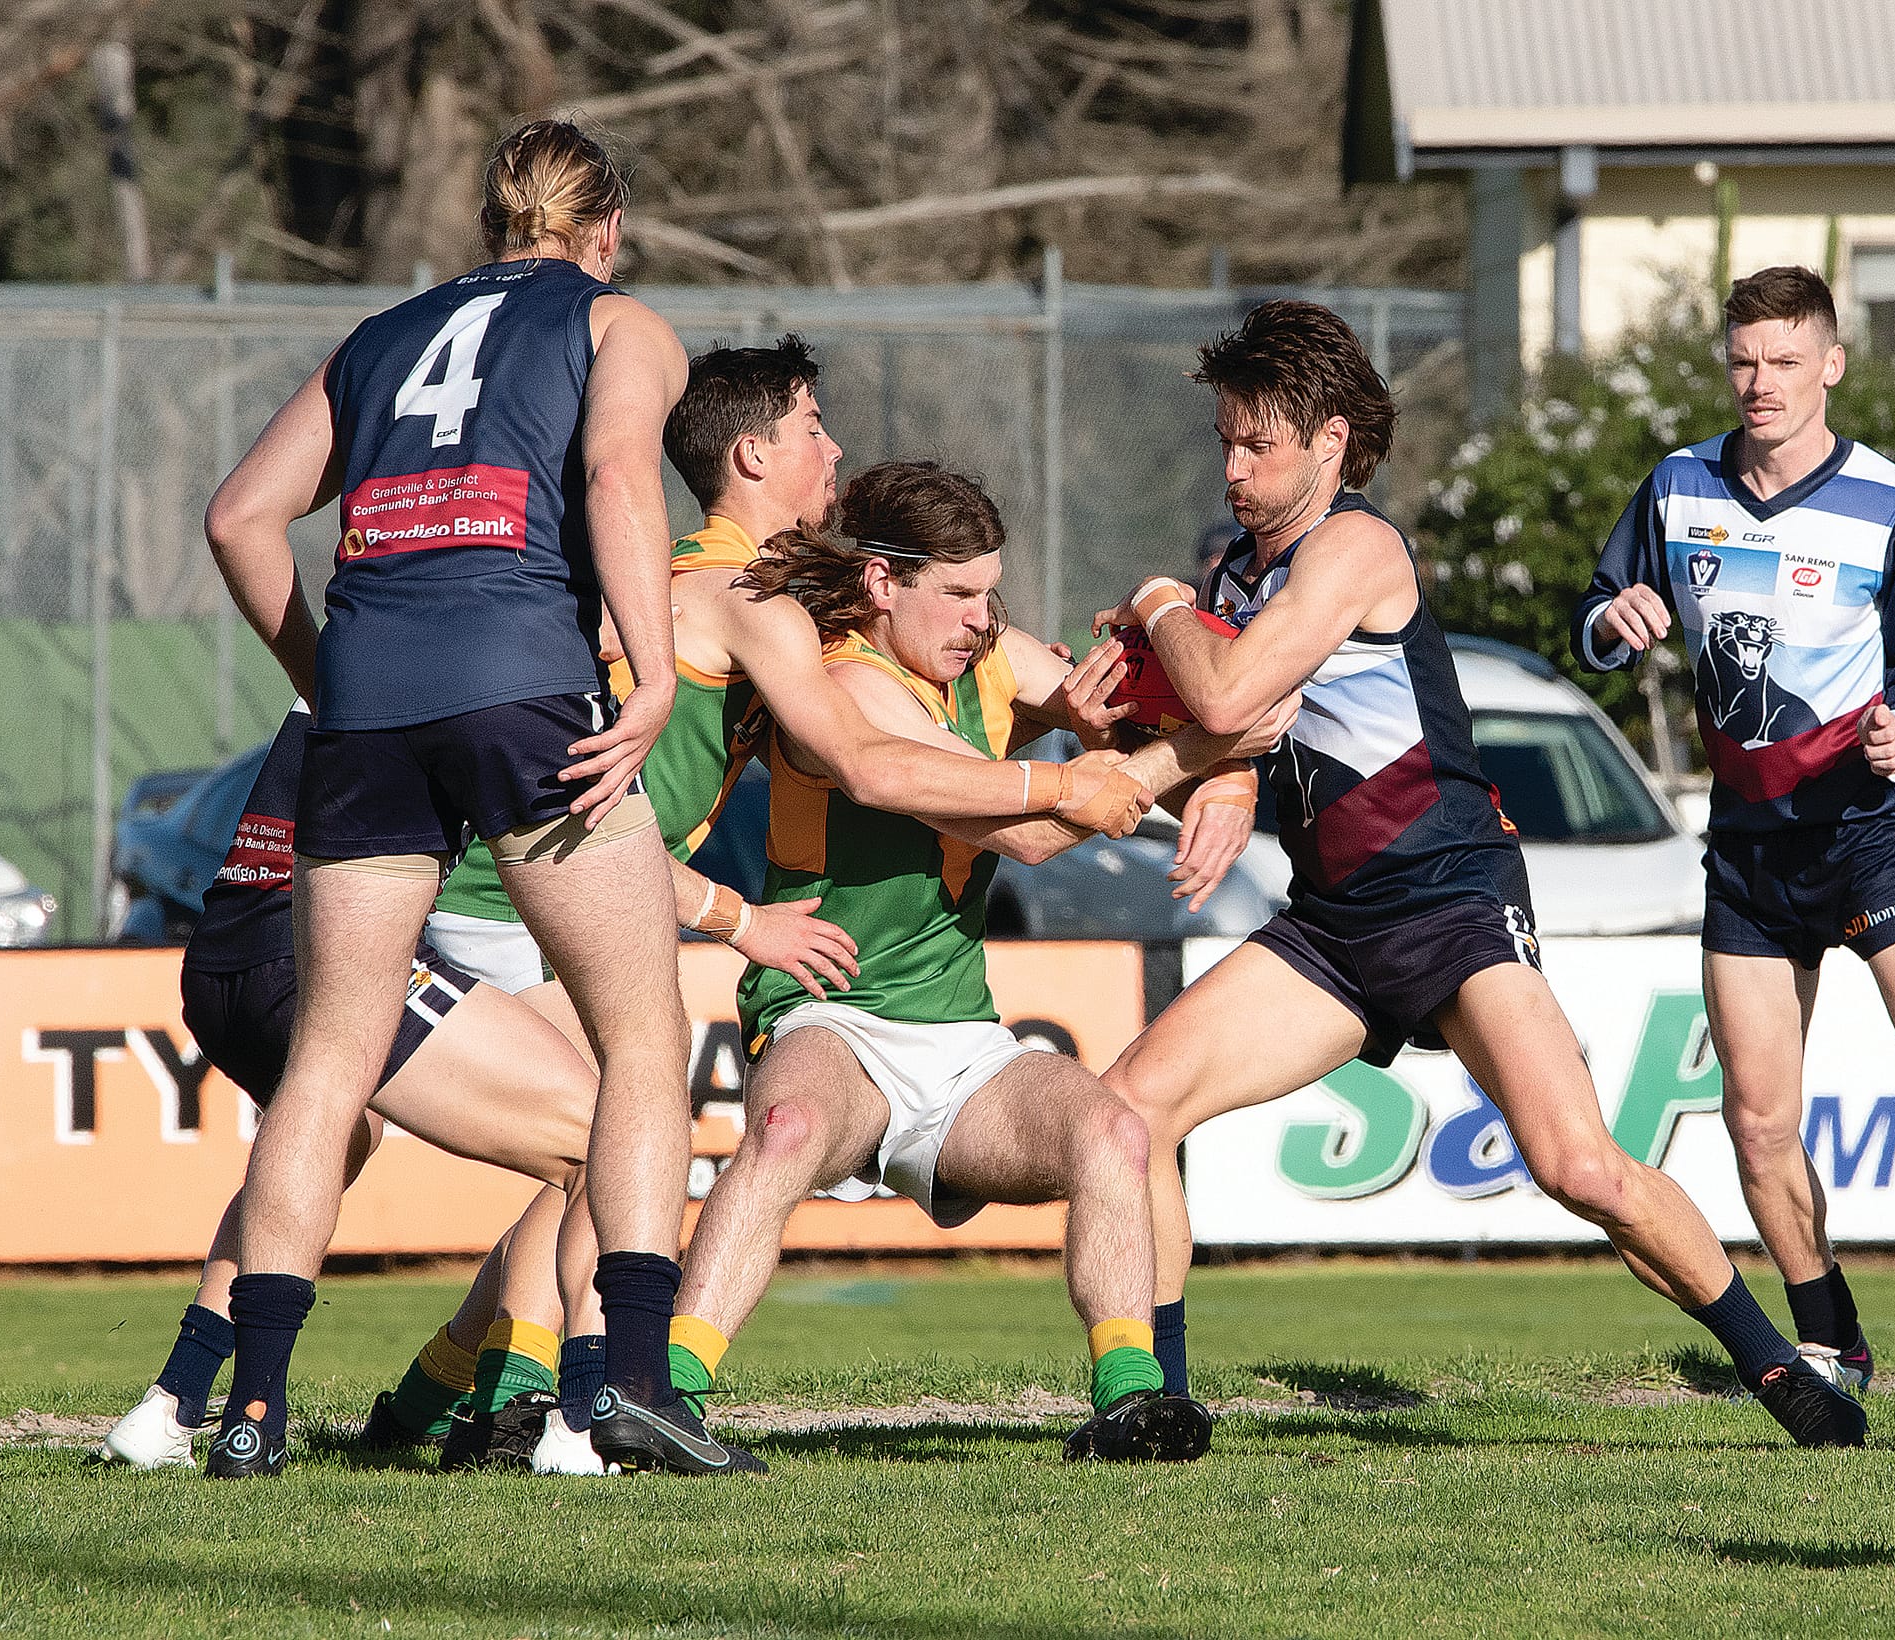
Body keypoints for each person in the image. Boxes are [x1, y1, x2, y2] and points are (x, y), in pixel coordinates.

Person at [1094, 298, 1867, 1448]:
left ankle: (1776, 1369)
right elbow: (1225, 735)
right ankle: (1155, 1396)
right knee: (1128, 1107)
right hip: (1335, 924)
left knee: (1577, 1165)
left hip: (1450, 898)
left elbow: (1218, 693)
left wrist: (1154, 602)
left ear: (1330, 444)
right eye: (1224, 439)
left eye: (1256, 441)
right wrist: (1182, 771)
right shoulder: (1245, 576)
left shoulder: (1353, 547)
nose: (1234, 464)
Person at [419, 334, 1157, 1473]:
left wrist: (1164, 719)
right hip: (544, 888)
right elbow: (876, 766)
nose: (835, 448)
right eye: (815, 427)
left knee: (586, 1148)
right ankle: (581, 1400)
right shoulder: (754, 599)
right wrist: (1077, 778)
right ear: (757, 453)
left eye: (985, 593)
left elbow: (1069, 684)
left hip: (586, 889)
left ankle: (447, 1395)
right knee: (621, 1141)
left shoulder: (794, 594)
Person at [200, 118, 728, 1478]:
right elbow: (618, 475)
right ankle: (636, 1387)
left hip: (371, 700)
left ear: (492, 224)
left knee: (329, 1059)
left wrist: (336, 672)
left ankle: (252, 1410)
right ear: (603, 229)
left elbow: (240, 517)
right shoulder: (619, 323)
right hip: (521, 688)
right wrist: (656, 678)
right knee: (641, 1040)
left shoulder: (379, 335)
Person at [661, 461, 1292, 1469]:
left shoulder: (985, 654)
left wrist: (1211, 764)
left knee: (1113, 1131)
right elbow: (1036, 832)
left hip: (958, 1040)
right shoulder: (844, 684)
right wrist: (1182, 762)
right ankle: (672, 1394)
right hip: (831, 1014)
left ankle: (1129, 1399)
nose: (979, 616)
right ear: (880, 584)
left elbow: (1115, 719)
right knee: (785, 1128)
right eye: (956, 593)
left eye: (989, 590)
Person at [1574, 266, 1895, 1393]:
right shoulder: (1676, 484)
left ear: (1830, 365)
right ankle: (1831, 1338)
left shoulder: (1892, 501)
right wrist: (1615, 619)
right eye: (1743, 360)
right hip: (1749, 851)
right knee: (1755, 1121)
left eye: (1784, 360)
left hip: (1867, 830)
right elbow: (1597, 615)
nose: (1760, 383)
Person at [97, 704, 597, 1469]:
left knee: (333, 1133)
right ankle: (582, 1421)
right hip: (318, 956)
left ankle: (175, 1400)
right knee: (611, 1136)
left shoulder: (357, 631)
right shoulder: (473, 641)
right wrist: (729, 918)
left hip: (226, 954)